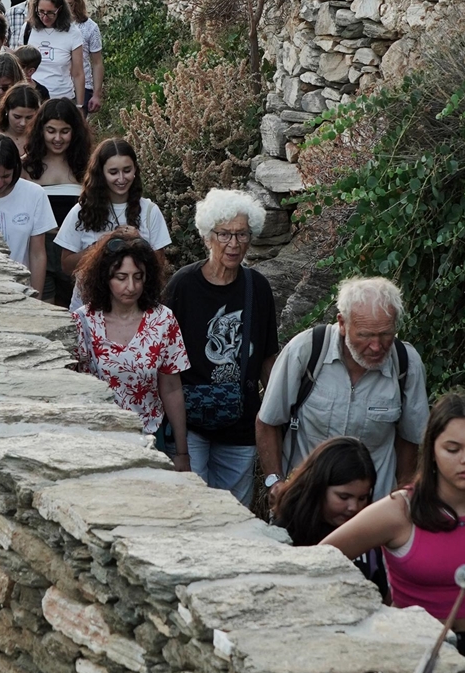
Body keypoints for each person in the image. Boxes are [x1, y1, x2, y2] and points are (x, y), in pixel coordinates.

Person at [325, 392, 465, 673]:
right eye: (453, 449)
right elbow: (322, 558)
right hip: (414, 652)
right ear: (432, 451)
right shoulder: (399, 511)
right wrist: (367, 619)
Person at [257, 276, 428, 504]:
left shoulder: (406, 364)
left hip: (371, 513)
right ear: (342, 323)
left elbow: (411, 440)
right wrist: (274, 482)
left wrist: (404, 498)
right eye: (365, 335)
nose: (376, 346)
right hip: (304, 504)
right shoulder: (306, 351)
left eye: (386, 334)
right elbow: (268, 421)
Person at [160, 191, 278, 505]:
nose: (234, 243)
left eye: (242, 234)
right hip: (190, 422)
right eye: (224, 234)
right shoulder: (183, 286)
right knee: (192, 506)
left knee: (234, 511)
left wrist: (279, 414)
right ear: (207, 236)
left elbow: (268, 355)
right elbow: (164, 357)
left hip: (240, 425)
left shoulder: (258, 288)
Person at [74, 234, 192, 467]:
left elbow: (171, 388)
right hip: (95, 439)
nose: (131, 287)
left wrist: (181, 452)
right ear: (104, 278)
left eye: (138, 277)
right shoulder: (83, 322)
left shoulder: (163, 320)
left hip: (148, 437)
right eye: (121, 277)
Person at [272, 435, 386, 596]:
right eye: (343, 497)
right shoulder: (284, 533)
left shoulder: (369, 535)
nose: (354, 507)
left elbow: (382, 594)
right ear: (317, 488)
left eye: (362, 498)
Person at [54, 139, 171, 281]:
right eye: (113, 172)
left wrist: (138, 242)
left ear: (135, 169)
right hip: (90, 299)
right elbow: (67, 266)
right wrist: (102, 244)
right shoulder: (81, 211)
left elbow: (159, 266)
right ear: (101, 173)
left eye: (127, 170)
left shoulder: (150, 211)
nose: (121, 179)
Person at [0, 134, 56, 293]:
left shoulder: (35, 194)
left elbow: (37, 253)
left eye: (6, 176)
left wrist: (36, 296)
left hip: (20, 288)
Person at [23, 98, 91, 306]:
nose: (57, 138)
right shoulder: (26, 166)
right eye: (51, 131)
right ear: (40, 131)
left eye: (64, 131)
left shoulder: (87, 166)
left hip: (76, 250)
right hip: (39, 247)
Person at [23, 0, 85, 106]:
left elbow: (78, 73)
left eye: (51, 13)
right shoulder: (27, 29)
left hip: (62, 99)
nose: (45, 17)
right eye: (41, 12)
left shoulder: (73, 32)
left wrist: (79, 106)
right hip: (34, 99)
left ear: (60, 10)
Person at [59, 0, 104, 116]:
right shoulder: (51, 27)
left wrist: (96, 94)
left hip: (83, 87)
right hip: (57, 85)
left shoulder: (90, 27)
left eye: (70, 4)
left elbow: (97, 62)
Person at [0, 83, 42, 159]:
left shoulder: (41, 138)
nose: (23, 123)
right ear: (6, 110)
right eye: (17, 117)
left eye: (29, 117)